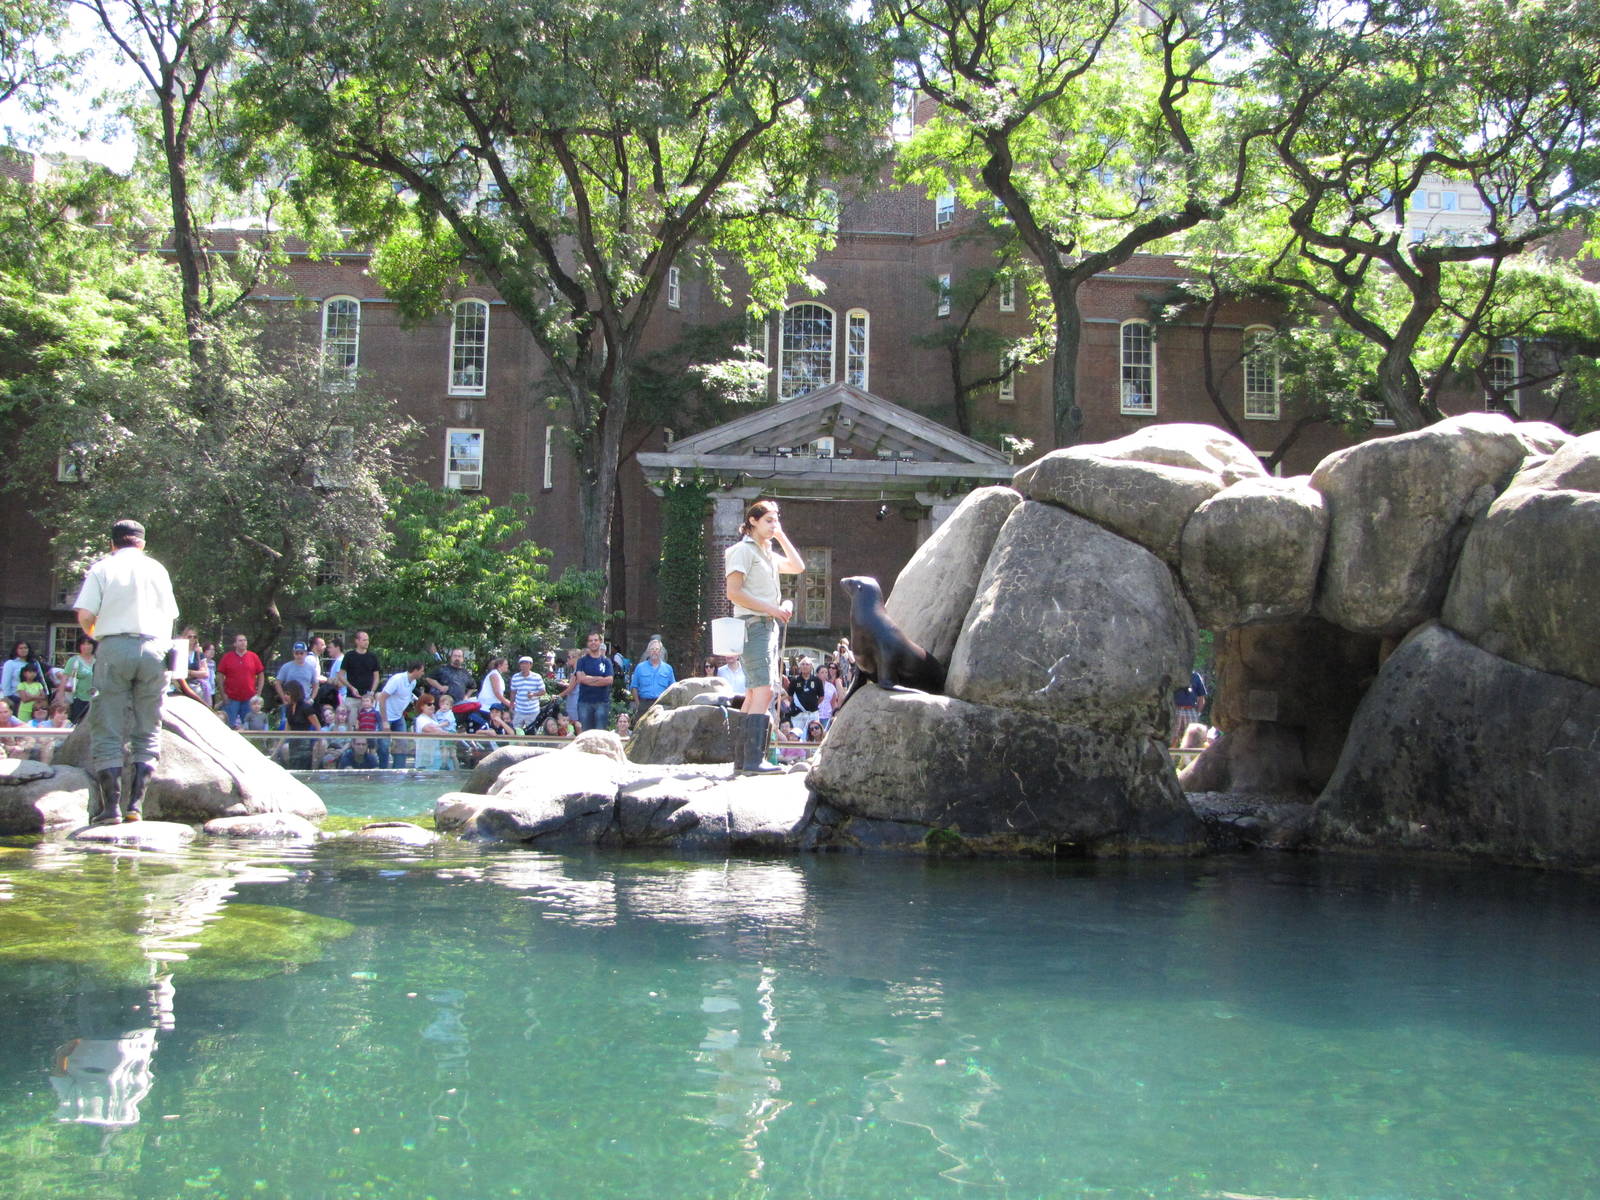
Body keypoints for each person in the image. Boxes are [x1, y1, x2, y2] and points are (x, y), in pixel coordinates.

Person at [72, 518, 180, 824]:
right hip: (155, 649)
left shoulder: (103, 568)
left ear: (113, 543)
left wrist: (99, 635)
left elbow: (85, 614)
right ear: (142, 544)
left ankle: (111, 809)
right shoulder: (157, 569)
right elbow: (171, 614)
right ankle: (136, 806)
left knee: (107, 727)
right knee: (148, 729)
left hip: (114, 647)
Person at [723, 500, 805, 772]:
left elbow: (798, 566)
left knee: (752, 692)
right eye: (769, 520)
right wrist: (772, 608)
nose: (774, 524)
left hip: (767, 625)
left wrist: (781, 535)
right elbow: (733, 592)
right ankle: (752, 760)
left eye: (776, 519)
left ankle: (742, 759)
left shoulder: (767, 552)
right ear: (753, 521)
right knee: (764, 690)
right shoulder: (742, 551)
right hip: (753, 625)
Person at [378, 661, 426, 769]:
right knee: (384, 745)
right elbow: (382, 698)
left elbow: (405, 698)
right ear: (415, 670)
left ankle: (398, 772)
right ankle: (382, 771)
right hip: (385, 716)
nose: (423, 674)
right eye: (422, 671)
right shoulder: (397, 680)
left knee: (402, 744)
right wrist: (385, 721)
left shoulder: (413, 682)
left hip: (398, 717)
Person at [217, 634, 265, 729]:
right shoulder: (227, 657)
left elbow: (261, 675)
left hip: (249, 698)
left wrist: (258, 694)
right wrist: (223, 694)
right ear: (235, 644)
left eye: (245, 640)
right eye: (240, 640)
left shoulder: (253, 656)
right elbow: (220, 675)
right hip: (231, 698)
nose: (243, 642)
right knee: (227, 726)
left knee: (249, 727)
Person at [573, 632, 614, 733]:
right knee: (586, 734)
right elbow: (580, 679)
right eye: (591, 640)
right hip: (584, 702)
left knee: (600, 734)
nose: (593, 642)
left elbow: (609, 680)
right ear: (587, 643)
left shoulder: (606, 661)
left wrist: (588, 678)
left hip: (602, 702)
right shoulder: (581, 661)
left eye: (595, 640)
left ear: (600, 642)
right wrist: (600, 679)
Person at [629, 638, 676, 722]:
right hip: (644, 705)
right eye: (652, 649)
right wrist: (638, 704)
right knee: (642, 733)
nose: (654, 651)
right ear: (648, 651)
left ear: (660, 651)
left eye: (657, 649)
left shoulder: (668, 669)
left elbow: (673, 688)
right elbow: (633, 687)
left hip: (662, 706)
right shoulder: (640, 668)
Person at [280, 680, 321, 770]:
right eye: (285, 693)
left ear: (294, 693)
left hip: (305, 746)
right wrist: (276, 750)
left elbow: (318, 727)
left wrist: (318, 745)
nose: (285, 696)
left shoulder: (306, 708)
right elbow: (286, 730)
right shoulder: (288, 708)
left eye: (288, 693)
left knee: (303, 768)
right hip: (293, 744)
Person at [335, 630, 382, 707]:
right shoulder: (349, 656)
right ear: (357, 641)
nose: (367, 642)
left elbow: (376, 677)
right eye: (364, 640)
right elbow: (341, 675)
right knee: (351, 718)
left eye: (367, 640)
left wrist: (372, 692)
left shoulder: (372, 656)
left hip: (368, 698)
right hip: (352, 697)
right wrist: (351, 688)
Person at [59, 635, 98, 723]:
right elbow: (64, 680)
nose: (86, 646)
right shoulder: (74, 660)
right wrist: (61, 700)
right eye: (83, 644)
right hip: (78, 699)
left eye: (89, 644)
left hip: (96, 700)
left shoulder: (99, 660)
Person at [273, 642, 319, 711]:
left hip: (305, 702)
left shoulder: (311, 668)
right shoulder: (286, 667)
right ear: (293, 654)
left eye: (301, 653)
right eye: (296, 653)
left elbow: (316, 685)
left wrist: (311, 699)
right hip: (289, 703)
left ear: (306, 653)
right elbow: (277, 683)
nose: (299, 655)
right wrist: (283, 699)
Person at [505, 656, 546, 731]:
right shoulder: (515, 677)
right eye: (522, 664)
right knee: (516, 730)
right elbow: (513, 692)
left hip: (533, 710)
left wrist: (533, 694)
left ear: (531, 665)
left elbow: (543, 691)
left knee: (533, 731)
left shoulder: (537, 677)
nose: (524, 665)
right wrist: (511, 706)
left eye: (526, 663)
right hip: (519, 710)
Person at [785, 656, 824, 736]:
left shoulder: (817, 680)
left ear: (811, 667)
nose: (805, 666)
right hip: (798, 714)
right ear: (800, 667)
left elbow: (821, 697)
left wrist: (812, 705)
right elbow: (790, 697)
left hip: (812, 713)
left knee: (814, 734)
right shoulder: (794, 680)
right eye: (802, 664)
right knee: (797, 734)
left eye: (807, 664)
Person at [1171, 669, 1209, 747]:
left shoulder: (1195, 676)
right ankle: (1170, 758)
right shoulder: (1172, 674)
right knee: (1172, 737)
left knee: (1193, 737)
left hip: (1191, 710)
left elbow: (1201, 697)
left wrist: (1197, 712)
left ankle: (1191, 758)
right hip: (1175, 709)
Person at [412, 692, 446, 770]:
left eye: (433, 704)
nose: (432, 706)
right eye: (429, 704)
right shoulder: (421, 719)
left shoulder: (434, 718)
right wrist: (452, 735)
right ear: (421, 706)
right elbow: (432, 730)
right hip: (425, 760)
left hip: (435, 758)